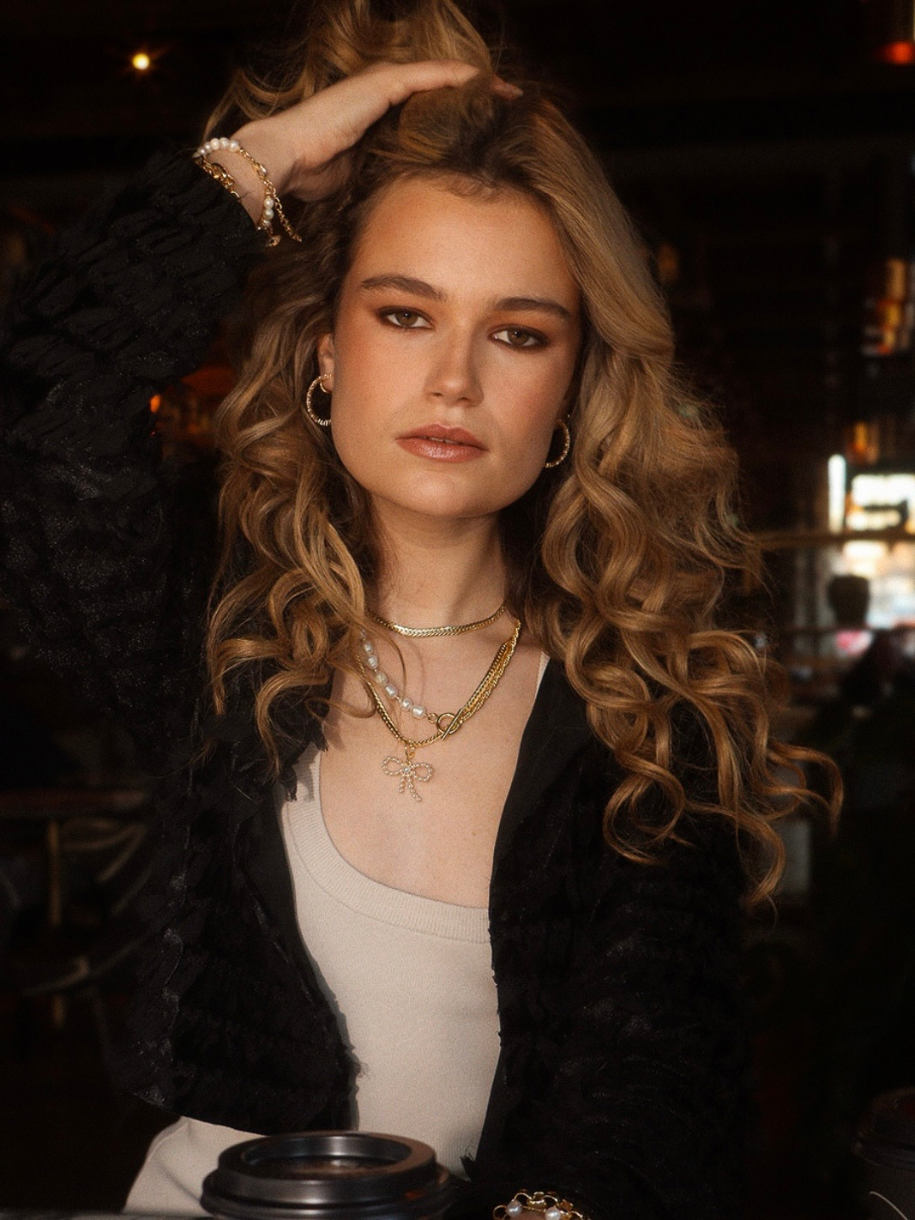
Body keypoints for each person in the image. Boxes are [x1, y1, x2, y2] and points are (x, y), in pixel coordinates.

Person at [0, 1, 837, 1217]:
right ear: (326, 349)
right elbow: (32, 405)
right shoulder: (217, 615)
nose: (453, 378)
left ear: (574, 386)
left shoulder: (644, 709)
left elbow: (645, 1109)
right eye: (404, 313)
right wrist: (260, 161)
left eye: (517, 331)